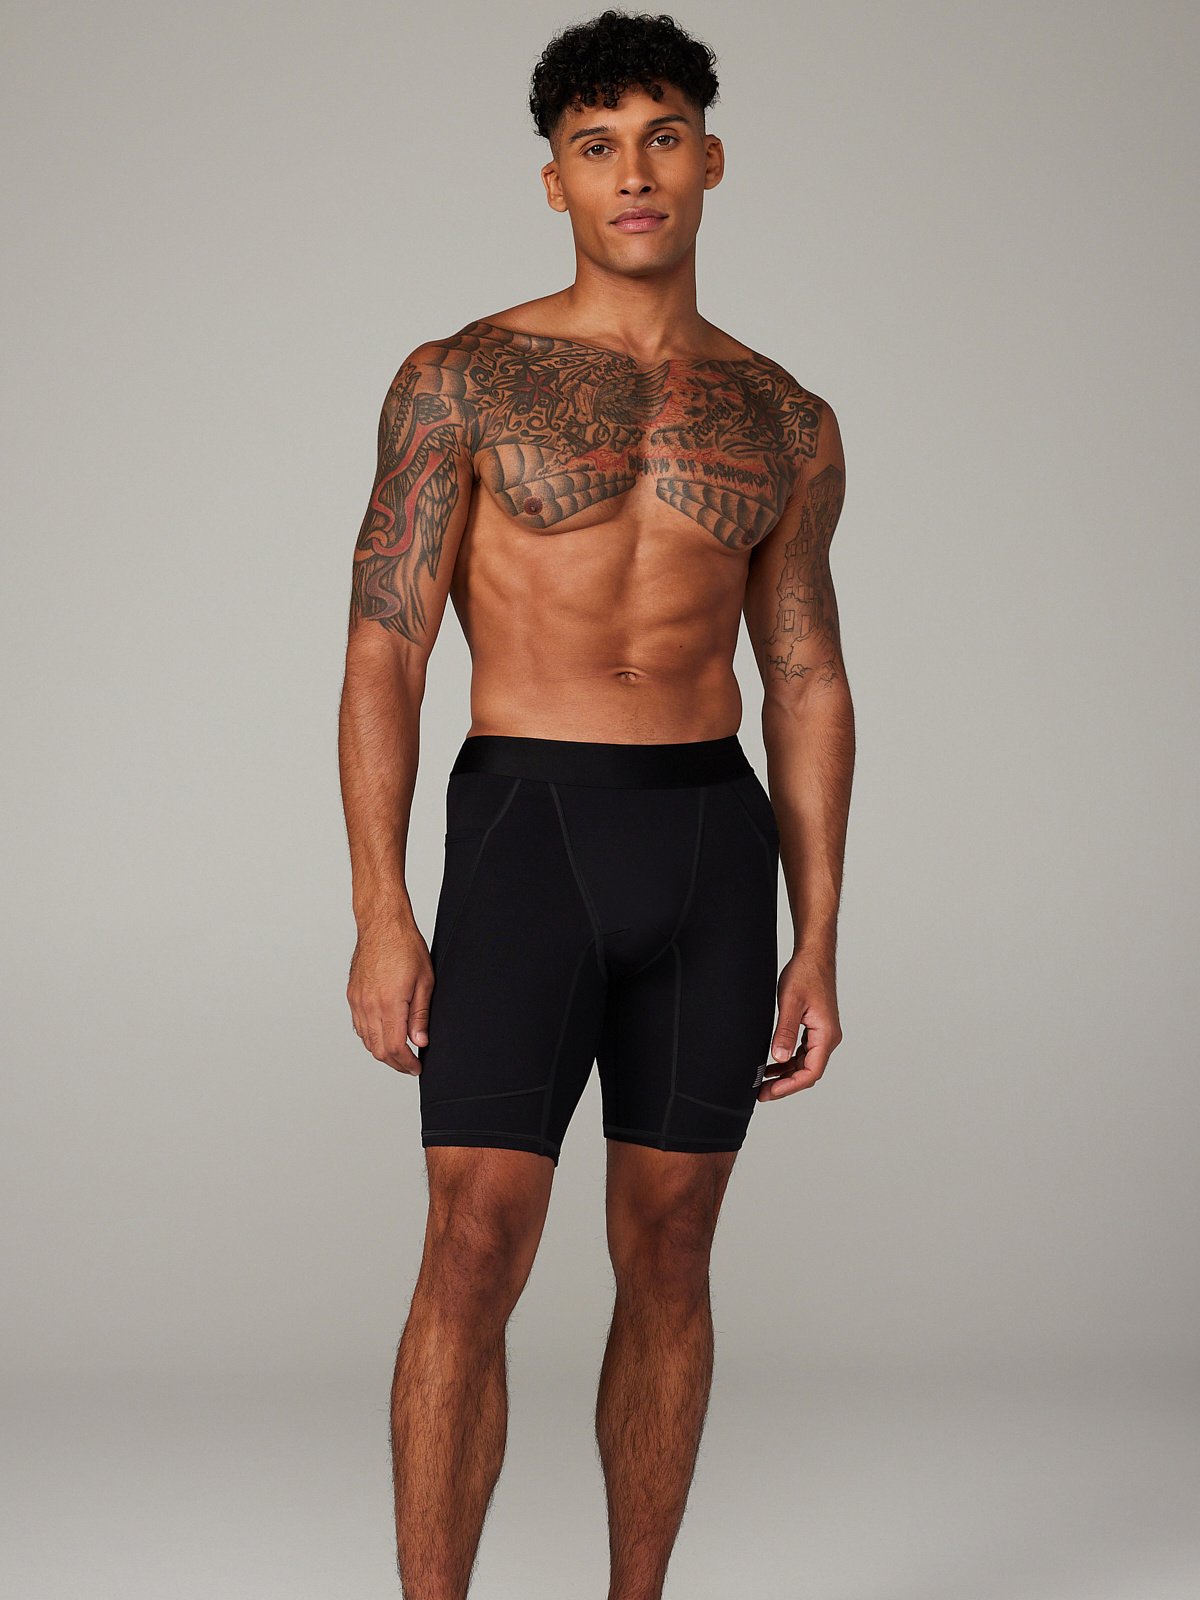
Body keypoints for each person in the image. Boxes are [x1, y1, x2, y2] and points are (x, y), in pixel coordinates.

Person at [337, 10, 853, 1596]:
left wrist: (820, 936)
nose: (634, 173)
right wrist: (381, 907)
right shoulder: (457, 381)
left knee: (674, 1252)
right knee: (471, 1247)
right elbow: (384, 649)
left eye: (661, 138)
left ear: (711, 160)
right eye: (597, 145)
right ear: (553, 179)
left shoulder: (787, 418)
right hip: (526, 832)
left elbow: (805, 676)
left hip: (708, 841)